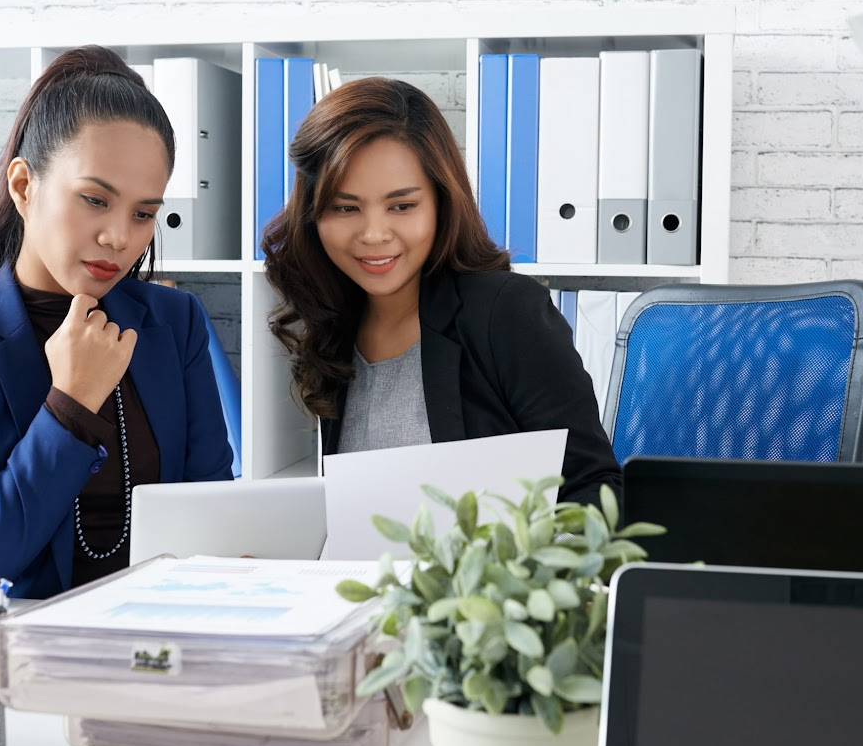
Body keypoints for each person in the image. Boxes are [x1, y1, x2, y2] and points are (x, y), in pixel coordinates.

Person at [0, 45, 233, 600]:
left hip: (169, 636)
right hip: (30, 655)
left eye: (144, 213)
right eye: (95, 199)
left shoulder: (175, 322)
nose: (119, 237)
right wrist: (70, 406)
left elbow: (214, 510)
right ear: (24, 186)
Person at [261, 76, 621, 506]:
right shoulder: (334, 323)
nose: (374, 234)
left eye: (402, 206)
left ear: (441, 202)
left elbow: (592, 489)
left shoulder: (505, 313)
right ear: (312, 214)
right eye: (345, 207)